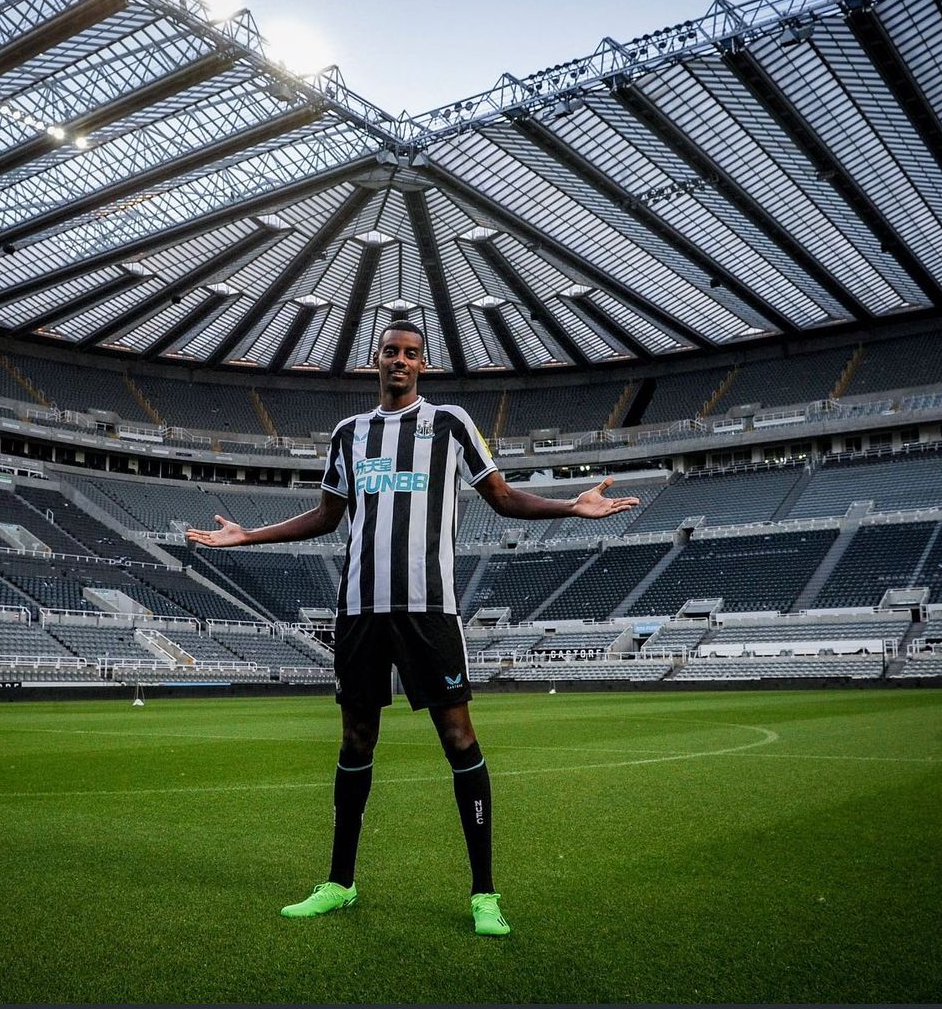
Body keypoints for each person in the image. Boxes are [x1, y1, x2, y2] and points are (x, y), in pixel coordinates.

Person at [186, 320, 640, 936]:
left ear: (422, 364)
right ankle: (339, 883)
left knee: (458, 737)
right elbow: (326, 516)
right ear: (375, 360)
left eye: (410, 353)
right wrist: (249, 535)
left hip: (430, 610)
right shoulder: (349, 433)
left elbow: (502, 497)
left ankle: (484, 894)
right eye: (390, 351)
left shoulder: (450, 423)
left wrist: (569, 506)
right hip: (360, 611)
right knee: (356, 740)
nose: (399, 360)